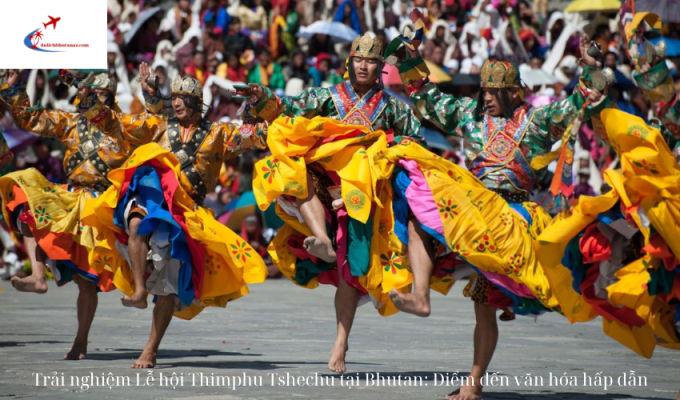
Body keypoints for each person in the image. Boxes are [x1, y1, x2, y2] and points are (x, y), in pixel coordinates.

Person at [388, 31, 608, 400]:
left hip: (510, 217)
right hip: (473, 211)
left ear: (513, 92)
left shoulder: (537, 122)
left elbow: (574, 104)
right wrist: (409, 57)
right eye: (484, 91)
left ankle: (473, 384)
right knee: (419, 212)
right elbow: (428, 99)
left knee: (484, 303)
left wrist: (589, 65)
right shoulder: (471, 118)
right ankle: (420, 296)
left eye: (494, 92)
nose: (486, 98)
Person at [235, 33, 425, 374]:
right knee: (290, 166)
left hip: (364, 198)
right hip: (324, 189)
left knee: (349, 272)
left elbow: (417, 148)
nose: (364, 65)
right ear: (349, 62)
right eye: (359, 59)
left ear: (380, 66)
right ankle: (320, 236)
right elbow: (285, 109)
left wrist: (382, 155)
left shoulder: (394, 107)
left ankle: (341, 341)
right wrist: (262, 97)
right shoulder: (326, 97)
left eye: (371, 60)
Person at [82, 64, 269, 368]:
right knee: (136, 222)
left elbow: (260, 136)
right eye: (176, 96)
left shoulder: (219, 133)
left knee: (168, 287)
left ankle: (151, 348)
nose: (178, 101)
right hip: (155, 199)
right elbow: (118, 125)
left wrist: (258, 102)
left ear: (198, 102)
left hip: (187, 211)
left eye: (184, 97)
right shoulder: (158, 125)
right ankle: (141, 290)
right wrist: (89, 100)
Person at [0, 70, 154, 361]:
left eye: (105, 95)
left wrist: (151, 93)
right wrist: (12, 86)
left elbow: (155, 124)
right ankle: (37, 275)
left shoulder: (123, 126)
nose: (98, 99)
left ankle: (81, 341)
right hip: (72, 196)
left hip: (102, 203)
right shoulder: (71, 122)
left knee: (86, 282)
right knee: (22, 192)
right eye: (94, 93)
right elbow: (31, 119)